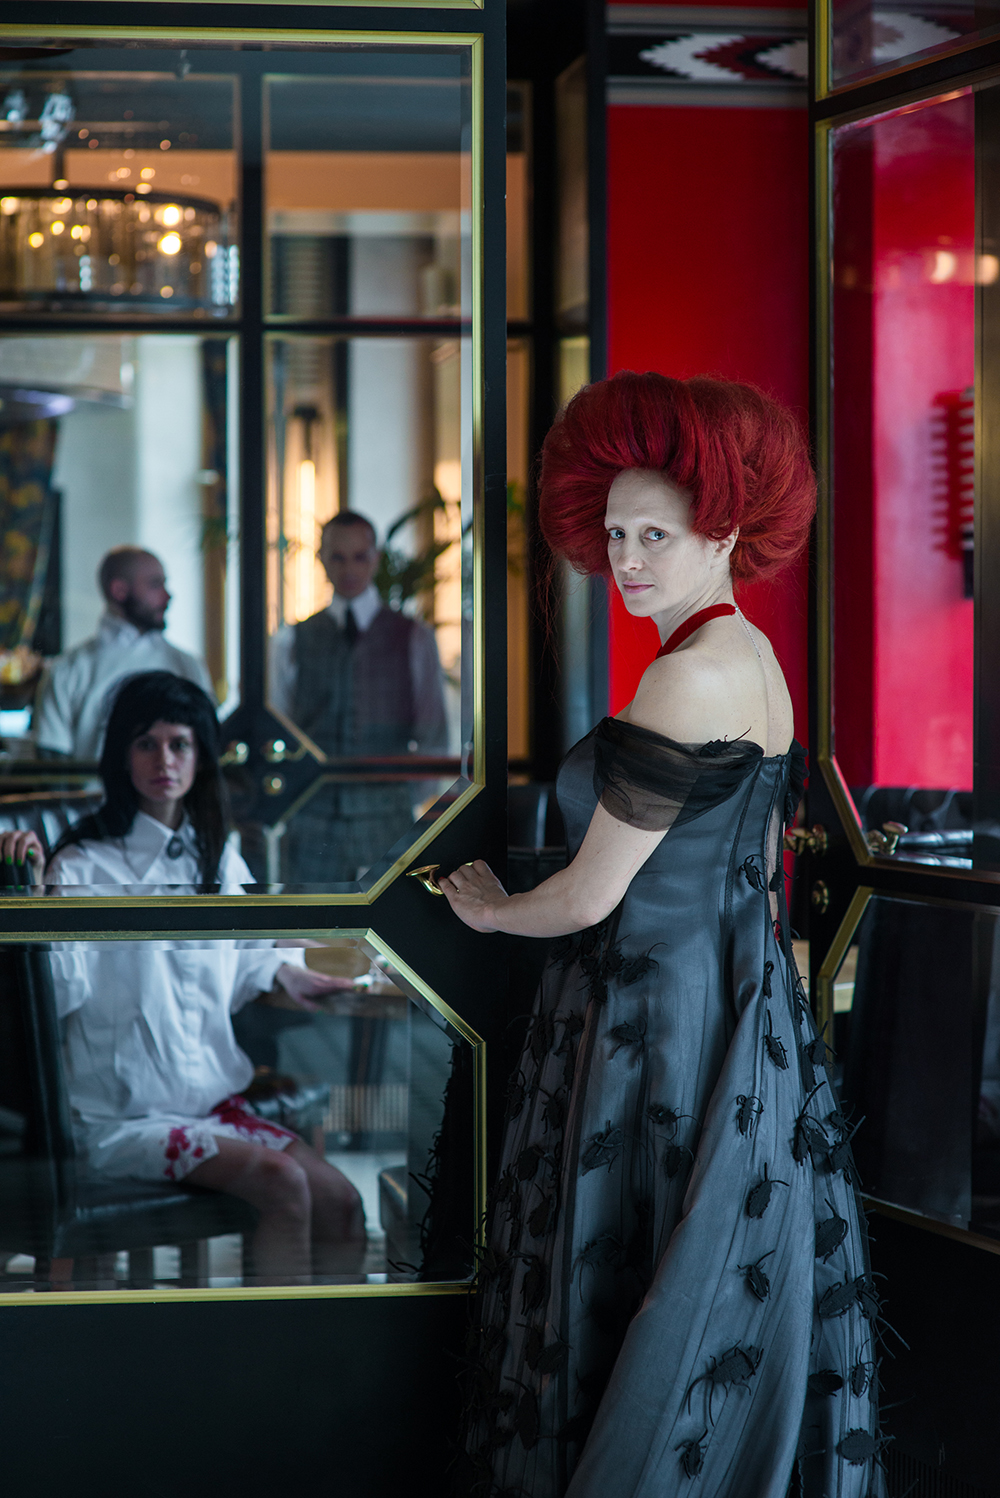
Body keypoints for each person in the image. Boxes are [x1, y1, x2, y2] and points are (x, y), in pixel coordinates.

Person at [439, 373, 885, 1497]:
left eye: (655, 535)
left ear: (724, 531)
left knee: (649, 1279)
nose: (626, 560)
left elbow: (589, 898)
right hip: (739, 1008)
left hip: (657, 1020)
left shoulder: (683, 681)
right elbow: (730, 868)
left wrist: (488, 907)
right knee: (697, 1268)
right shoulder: (754, 658)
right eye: (615, 533)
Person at [0, 671, 366, 1281]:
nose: (163, 760)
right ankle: (273, 1344)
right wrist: (38, 907)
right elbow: (56, 996)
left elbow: (246, 955)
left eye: (179, 744)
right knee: (282, 1184)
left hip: (209, 1106)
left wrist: (289, 972)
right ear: (122, 755)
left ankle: (330, 1343)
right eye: (146, 743)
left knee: (343, 1202)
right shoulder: (83, 866)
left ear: (201, 755)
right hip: (120, 1120)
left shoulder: (216, 856)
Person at [268, 510, 448, 883]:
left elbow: (433, 733)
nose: (349, 568)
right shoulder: (291, 640)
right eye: (338, 557)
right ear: (322, 559)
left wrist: (405, 796)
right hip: (311, 820)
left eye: (359, 557)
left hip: (388, 818)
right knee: (311, 915)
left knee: (389, 915)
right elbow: (280, 728)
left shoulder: (413, 636)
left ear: (376, 559)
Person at [33, 546, 213, 761]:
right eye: (155, 584)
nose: (168, 596)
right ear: (119, 590)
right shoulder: (67, 670)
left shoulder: (188, 665)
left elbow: (207, 748)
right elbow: (52, 760)